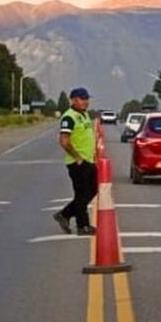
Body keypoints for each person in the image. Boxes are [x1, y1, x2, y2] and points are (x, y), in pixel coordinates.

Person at [53, 87, 98, 236]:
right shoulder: (69, 117)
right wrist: (77, 157)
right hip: (77, 163)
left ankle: (65, 214)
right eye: (82, 99)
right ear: (73, 100)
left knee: (92, 190)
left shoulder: (84, 115)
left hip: (89, 160)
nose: (86, 102)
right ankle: (82, 226)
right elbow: (64, 141)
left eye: (87, 99)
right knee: (82, 193)